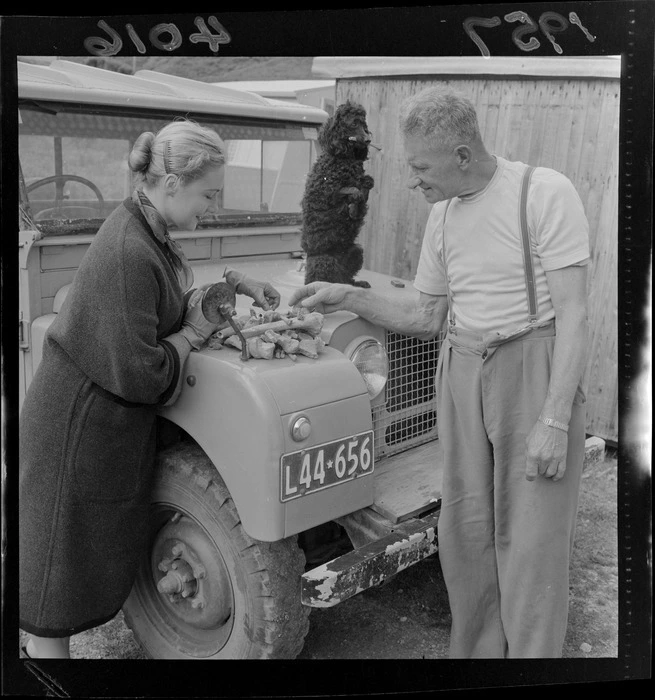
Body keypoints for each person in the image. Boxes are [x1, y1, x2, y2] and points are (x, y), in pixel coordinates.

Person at [289, 87, 590, 658]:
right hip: (460, 369)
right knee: (466, 532)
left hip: (530, 367)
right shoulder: (443, 216)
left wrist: (554, 416)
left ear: (461, 154)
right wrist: (346, 298)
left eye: (421, 167)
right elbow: (425, 316)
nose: (413, 180)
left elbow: (575, 314)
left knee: (531, 540)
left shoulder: (542, 192)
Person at [19, 118, 280, 658]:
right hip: (76, 429)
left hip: (96, 419)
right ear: (171, 184)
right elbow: (145, 375)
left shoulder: (147, 231)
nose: (210, 207)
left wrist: (228, 289)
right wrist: (189, 336)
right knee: (56, 587)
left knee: (65, 570)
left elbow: (160, 309)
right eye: (207, 194)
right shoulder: (128, 251)